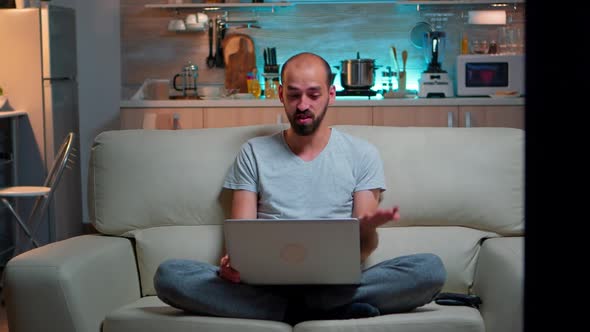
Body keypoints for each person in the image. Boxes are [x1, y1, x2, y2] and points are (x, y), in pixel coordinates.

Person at [154, 52, 447, 324]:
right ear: (281, 94)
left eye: (313, 94)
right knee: (170, 276)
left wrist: (366, 229)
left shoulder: (362, 154)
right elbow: (242, 234)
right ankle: (324, 311)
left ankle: (291, 311)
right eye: (293, 95)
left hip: (337, 285)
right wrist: (235, 261)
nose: (303, 105)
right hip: (266, 286)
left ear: (331, 95)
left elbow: (363, 249)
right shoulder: (253, 152)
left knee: (429, 270)